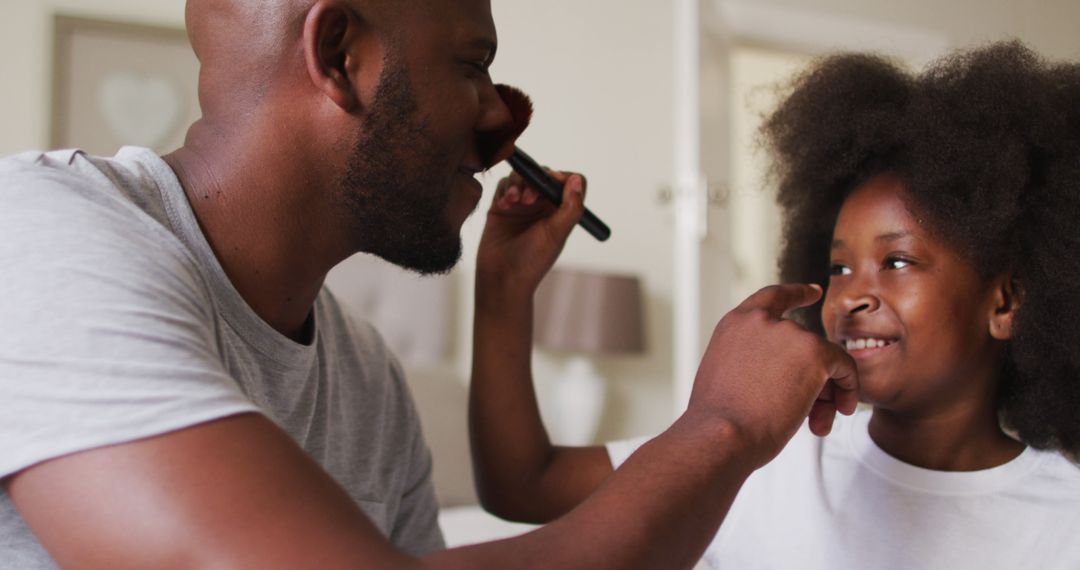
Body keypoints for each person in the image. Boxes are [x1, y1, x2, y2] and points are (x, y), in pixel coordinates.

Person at [0, 0, 858, 567]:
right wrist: (725, 425)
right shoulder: (37, 233)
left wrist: (503, 301)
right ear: (340, 55)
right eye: (473, 65)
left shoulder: (367, 378)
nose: (502, 118)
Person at [469, 41, 1080, 569]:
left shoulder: (1065, 514)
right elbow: (525, 484)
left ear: (1006, 302)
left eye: (897, 262)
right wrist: (503, 290)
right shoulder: (763, 461)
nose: (852, 293)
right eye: (838, 266)